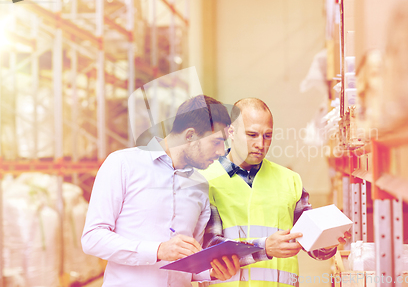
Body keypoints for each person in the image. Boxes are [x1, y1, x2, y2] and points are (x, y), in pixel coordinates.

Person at [82, 95, 240, 287]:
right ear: (190, 135)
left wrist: (212, 272)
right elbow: (92, 238)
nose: (222, 151)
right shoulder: (122, 164)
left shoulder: (199, 186)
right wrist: (158, 250)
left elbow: (189, 264)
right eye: (217, 142)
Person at [200, 98, 350, 286]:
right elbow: (209, 247)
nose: (260, 144)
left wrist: (327, 241)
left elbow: (311, 244)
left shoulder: (290, 181)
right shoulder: (206, 181)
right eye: (252, 134)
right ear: (231, 131)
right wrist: (265, 248)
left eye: (267, 135)